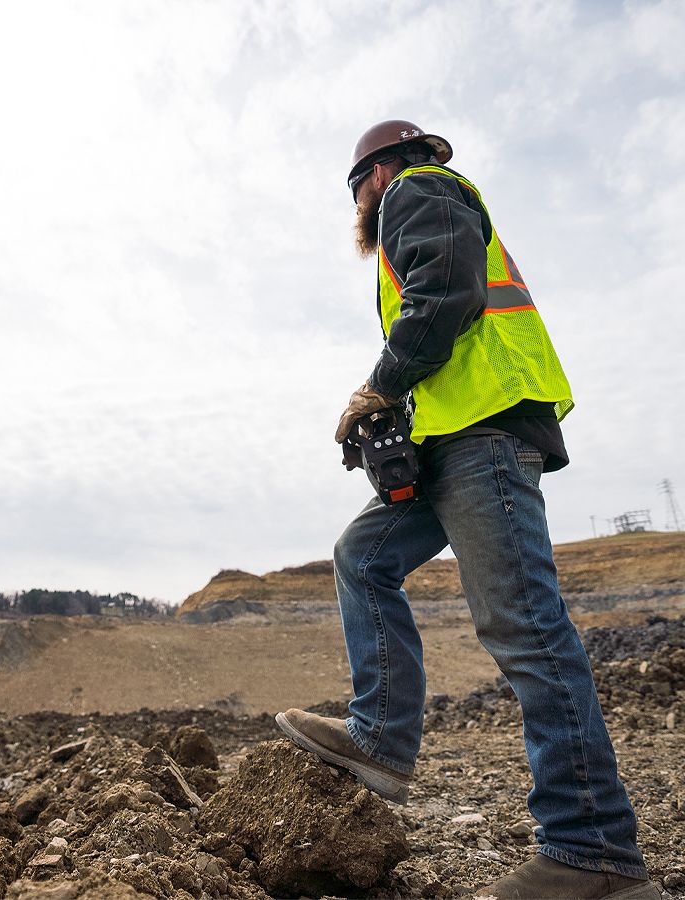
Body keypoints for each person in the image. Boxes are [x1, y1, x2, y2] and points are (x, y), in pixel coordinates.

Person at [274, 120, 659, 899]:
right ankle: (379, 739)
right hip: (452, 440)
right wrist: (401, 422)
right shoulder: (424, 202)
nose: (357, 207)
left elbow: (444, 294)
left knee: (524, 626)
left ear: (374, 175)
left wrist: (382, 383)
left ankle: (593, 853)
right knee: (364, 557)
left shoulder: (417, 192)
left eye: (355, 191)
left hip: (485, 437)